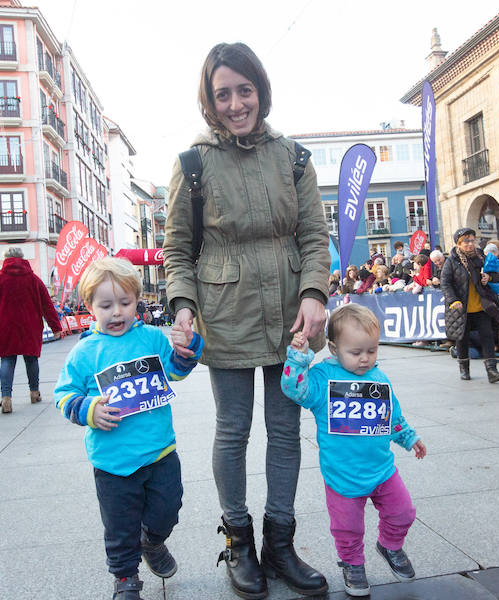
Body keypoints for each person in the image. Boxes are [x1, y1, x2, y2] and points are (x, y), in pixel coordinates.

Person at [163, 42, 330, 599]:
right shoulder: (192, 166)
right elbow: (177, 252)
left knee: (286, 431)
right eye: (223, 94)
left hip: (291, 314)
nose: (236, 104)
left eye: (245, 90)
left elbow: (313, 238)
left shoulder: (295, 158)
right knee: (232, 430)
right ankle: (239, 540)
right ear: (209, 101)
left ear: (261, 90)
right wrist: (183, 306)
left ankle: (280, 543)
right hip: (226, 311)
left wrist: (314, 292)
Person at [55, 258, 204, 600]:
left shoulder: (151, 337)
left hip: (160, 452)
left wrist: (187, 347)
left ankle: (152, 541)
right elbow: (64, 395)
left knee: (168, 509)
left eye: (125, 303)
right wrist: (89, 409)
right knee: (120, 528)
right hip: (112, 461)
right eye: (106, 305)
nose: (117, 312)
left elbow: (176, 372)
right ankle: (125, 579)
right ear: (90, 306)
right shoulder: (84, 353)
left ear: (138, 300)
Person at [280, 304, 426, 597]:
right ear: (334, 348)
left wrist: (408, 437)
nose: (365, 359)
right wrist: (298, 357)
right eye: (356, 352)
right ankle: (352, 564)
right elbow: (294, 389)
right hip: (342, 475)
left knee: (403, 512)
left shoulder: (378, 378)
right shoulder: (323, 378)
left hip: (382, 469)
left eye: (371, 351)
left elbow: (391, 416)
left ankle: (389, 545)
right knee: (348, 529)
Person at [0, 247, 63, 414]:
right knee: (31, 360)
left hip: (4, 326)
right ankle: (34, 392)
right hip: (29, 325)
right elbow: (47, 305)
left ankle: (6, 398)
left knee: (7, 361)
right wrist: (55, 327)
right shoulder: (34, 279)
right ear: (22, 258)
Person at [441, 228, 499, 383]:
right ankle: (464, 368)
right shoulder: (451, 261)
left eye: (472, 240)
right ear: (458, 243)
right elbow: (445, 283)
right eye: (466, 241)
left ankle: (492, 371)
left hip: (480, 305)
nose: (470, 244)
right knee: (462, 339)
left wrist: (489, 277)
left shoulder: (481, 257)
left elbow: (497, 274)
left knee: (487, 336)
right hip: (461, 307)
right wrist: (453, 300)